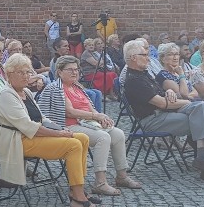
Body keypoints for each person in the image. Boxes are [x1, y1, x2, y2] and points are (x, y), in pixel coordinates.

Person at [0, 54, 102, 207]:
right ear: (9, 74)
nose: (26, 76)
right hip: (19, 140)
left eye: (27, 72)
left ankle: (76, 189)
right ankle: (79, 200)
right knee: (72, 145)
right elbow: (29, 126)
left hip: (34, 136)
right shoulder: (6, 95)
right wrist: (59, 135)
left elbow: (41, 118)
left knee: (83, 138)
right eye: (20, 72)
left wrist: (60, 129)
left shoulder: (26, 92)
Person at [122, 40, 204, 181]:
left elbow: (161, 93)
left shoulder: (144, 74)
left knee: (202, 108)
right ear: (133, 58)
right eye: (144, 55)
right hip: (153, 119)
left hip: (165, 113)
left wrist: (168, 91)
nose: (148, 58)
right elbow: (161, 103)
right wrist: (185, 100)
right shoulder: (134, 80)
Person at [38, 55, 140, 195]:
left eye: (76, 69)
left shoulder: (77, 87)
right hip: (67, 126)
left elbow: (90, 108)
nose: (75, 72)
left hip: (87, 123)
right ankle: (100, 183)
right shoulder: (56, 88)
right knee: (102, 138)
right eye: (70, 70)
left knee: (118, 134)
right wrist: (95, 116)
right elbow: (69, 112)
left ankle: (122, 176)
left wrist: (100, 117)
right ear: (59, 72)